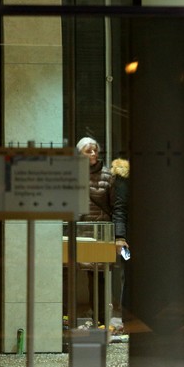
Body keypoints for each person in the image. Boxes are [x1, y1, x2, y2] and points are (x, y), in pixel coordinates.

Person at [76, 136, 114, 323]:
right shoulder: (72, 174)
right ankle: (67, 317)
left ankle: (100, 318)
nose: (93, 153)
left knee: (97, 276)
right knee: (68, 274)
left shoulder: (107, 175)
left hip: (100, 232)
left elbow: (115, 206)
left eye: (95, 150)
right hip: (79, 231)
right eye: (88, 150)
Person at [111, 158, 130, 320]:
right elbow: (120, 209)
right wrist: (119, 236)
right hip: (127, 239)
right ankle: (128, 320)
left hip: (153, 239)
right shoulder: (125, 176)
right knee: (129, 277)